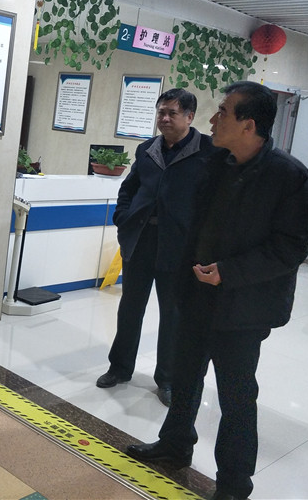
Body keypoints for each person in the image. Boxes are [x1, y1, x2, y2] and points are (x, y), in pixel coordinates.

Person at [125, 82, 308, 500]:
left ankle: (233, 483)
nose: (212, 119)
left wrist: (228, 272)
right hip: (197, 295)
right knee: (185, 377)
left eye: (223, 111)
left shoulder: (289, 176)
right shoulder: (216, 163)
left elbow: (291, 248)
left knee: (236, 396)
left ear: (249, 125)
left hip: (244, 307)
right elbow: (193, 225)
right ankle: (175, 445)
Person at [96, 88, 218, 406]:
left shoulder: (208, 151)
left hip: (180, 247)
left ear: (190, 117)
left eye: (171, 113)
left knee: (173, 314)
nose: (164, 119)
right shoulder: (147, 149)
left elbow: (215, 200)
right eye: (161, 112)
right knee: (130, 308)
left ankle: (166, 378)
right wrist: (123, 217)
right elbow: (130, 188)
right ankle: (120, 368)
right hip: (141, 240)